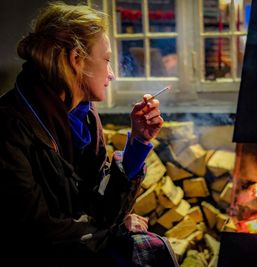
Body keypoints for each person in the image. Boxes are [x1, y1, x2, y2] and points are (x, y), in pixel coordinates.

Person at [0, 2, 177, 266]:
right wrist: (113, 229)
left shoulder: (85, 117)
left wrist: (138, 143)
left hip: (83, 244)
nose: (112, 74)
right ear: (76, 60)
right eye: (106, 60)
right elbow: (40, 233)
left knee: (154, 248)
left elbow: (102, 204)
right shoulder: (9, 126)